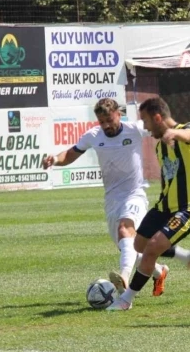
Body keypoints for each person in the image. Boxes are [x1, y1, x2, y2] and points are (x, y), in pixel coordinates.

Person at [41, 98, 171, 296]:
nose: (106, 125)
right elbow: (70, 154)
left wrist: (176, 133)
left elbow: (160, 127)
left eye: (110, 120)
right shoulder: (93, 135)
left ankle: (124, 279)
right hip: (112, 200)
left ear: (119, 114)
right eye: (102, 122)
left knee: (125, 230)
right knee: (129, 248)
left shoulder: (134, 129)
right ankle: (159, 271)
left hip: (134, 194)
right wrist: (55, 160)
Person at [107, 97, 190, 311]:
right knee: (138, 246)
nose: (145, 127)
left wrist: (174, 133)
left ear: (158, 118)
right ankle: (185, 257)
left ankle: (126, 300)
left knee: (151, 249)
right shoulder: (161, 147)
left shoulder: (188, 130)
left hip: (187, 209)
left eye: (146, 121)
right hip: (163, 207)